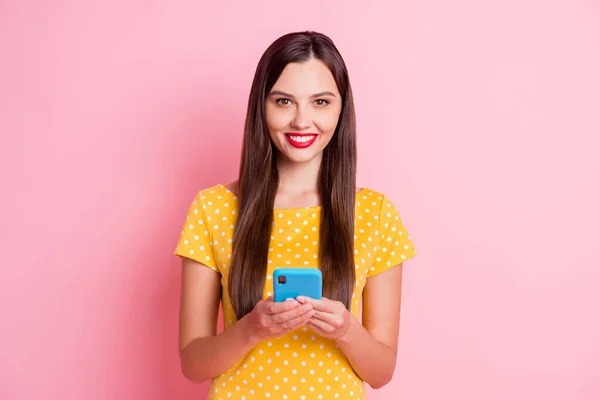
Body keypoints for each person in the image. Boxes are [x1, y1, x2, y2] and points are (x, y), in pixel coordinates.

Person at [174, 31, 417, 400]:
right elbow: (193, 364)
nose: (302, 121)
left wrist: (345, 329)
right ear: (262, 106)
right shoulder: (213, 209)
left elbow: (381, 372)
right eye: (284, 101)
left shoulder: (375, 214)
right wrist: (251, 329)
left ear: (341, 108)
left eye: (320, 101)